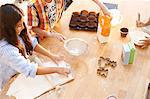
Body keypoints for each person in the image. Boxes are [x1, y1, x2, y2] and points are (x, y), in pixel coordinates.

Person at [0, 4, 70, 90]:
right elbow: (28, 69)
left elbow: (32, 43)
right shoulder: (7, 50)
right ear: (7, 29)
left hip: (20, 71)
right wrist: (57, 69)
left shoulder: (19, 32)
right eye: (18, 25)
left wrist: (52, 56)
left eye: (22, 23)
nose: (22, 27)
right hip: (10, 80)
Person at [28, 0, 112, 41]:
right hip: (41, 37)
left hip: (54, 28)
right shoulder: (33, 5)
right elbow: (34, 28)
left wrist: (103, 7)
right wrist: (50, 34)